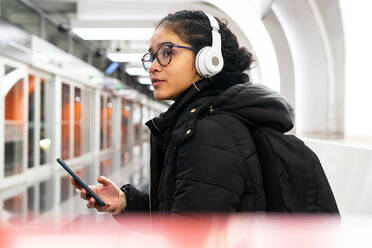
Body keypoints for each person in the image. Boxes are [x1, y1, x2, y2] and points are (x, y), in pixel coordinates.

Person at [71, 10, 295, 214]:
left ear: (208, 60)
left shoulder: (210, 132)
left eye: (167, 52)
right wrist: (125, 202)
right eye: (152, 56)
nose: (154, 66)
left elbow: (189, 236)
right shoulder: (211, 121)